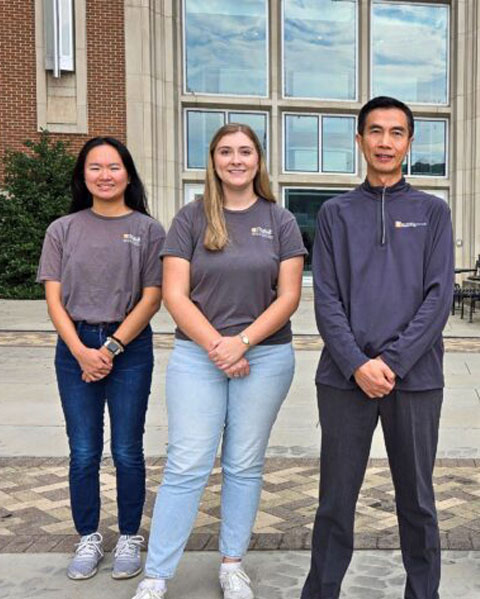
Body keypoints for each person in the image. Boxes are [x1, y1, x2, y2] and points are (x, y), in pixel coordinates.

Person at [131, 123, 306, 599]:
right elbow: (174, 294)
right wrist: (219, 347)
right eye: (225, 151)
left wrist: (242, 343)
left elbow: (288, 296)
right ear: (212, 160)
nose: (235, 160)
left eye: (245, 151)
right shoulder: (190, 219)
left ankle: (232, 564)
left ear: (258, 160)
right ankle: (157, 574)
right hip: (197, 356)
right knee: (187, 463)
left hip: (265, 358)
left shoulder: (280, 220)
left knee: (244, 464)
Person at [300, 96, 454, 599]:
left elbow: (439, 297)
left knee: (417, 501)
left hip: (416, 380)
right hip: (345, 380)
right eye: (375, 131)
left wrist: (390, 361)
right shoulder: (334, 213)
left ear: (410, 143)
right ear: (360, 139)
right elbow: (325, 298)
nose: (385, 141)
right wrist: (357, 363)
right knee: (335, 502)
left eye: (396, 132)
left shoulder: (433, 212)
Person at [37, 137, 165, 581]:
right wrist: (80, 351)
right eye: (96, 167)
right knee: (84, 450)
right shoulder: (63, 229)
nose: (105, 175)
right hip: (74, 347)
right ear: (83, 175)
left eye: (114, 167)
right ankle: (88, 536)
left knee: (128, 449)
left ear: (128, 174)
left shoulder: (149, 231)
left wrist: (109, 349)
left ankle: (130, 535)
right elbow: (53, 298)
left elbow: (152, 297)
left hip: (129, 348)